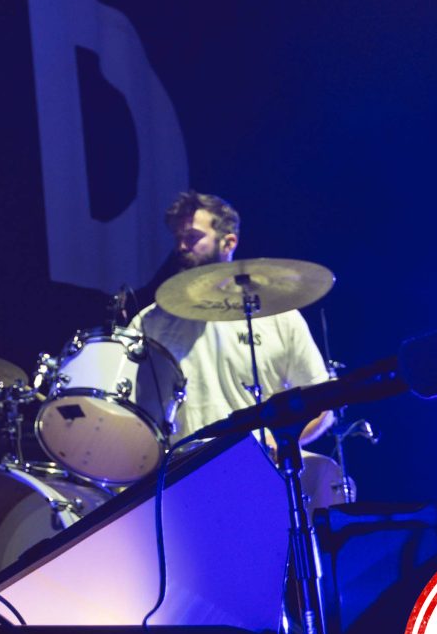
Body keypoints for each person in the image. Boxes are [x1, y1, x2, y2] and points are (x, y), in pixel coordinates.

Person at [131, 190, 333, 445]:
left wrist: (275, 447)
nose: (181, 247)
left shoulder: (279, 317)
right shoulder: (150, 321)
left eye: (192, 237)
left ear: (228, 243)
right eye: (178, 238)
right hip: (182, 466)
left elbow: (322, 405)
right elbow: (128, 410)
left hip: (258, 464)